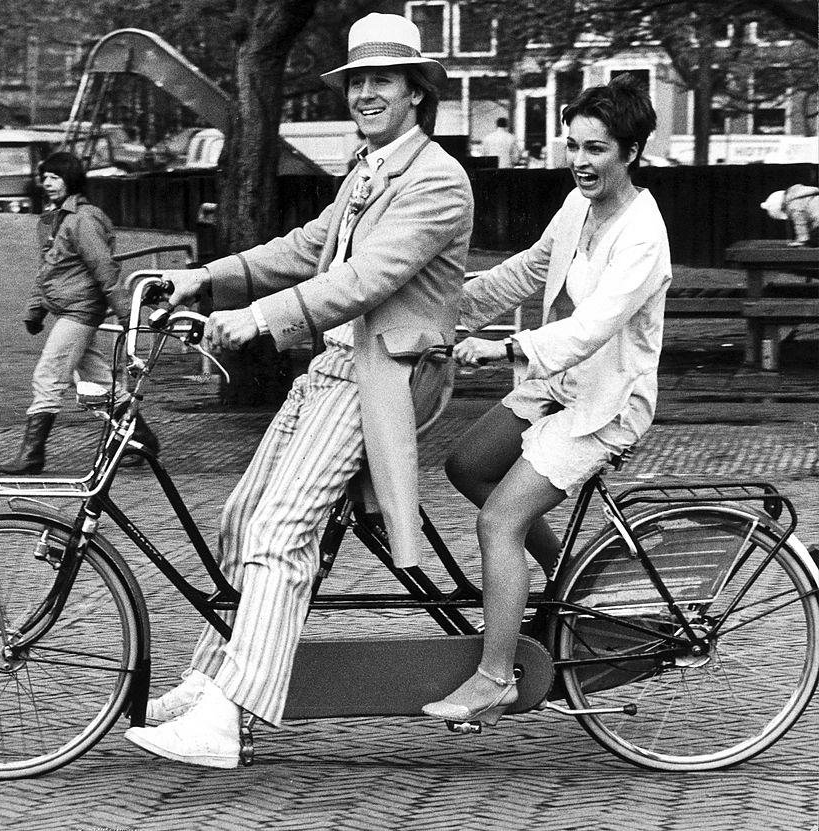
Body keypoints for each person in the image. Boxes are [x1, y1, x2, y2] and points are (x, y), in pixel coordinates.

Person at [124, 12, 474, 769]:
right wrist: (205, 275)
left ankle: (231, 714)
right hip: (336, 367)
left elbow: (361, 280)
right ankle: (210, 680)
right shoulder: (369, 170)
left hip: (384, 378)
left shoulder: (437, 179)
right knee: (245, 514)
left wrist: (255, 320)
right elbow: (308, 249)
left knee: (284, 530)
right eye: (357, 82)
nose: (366, 94)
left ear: (416, 92)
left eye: (382, 81)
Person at [421, 74, 670, 726]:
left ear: (632, 152)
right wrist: (446, 311)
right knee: (467, 465)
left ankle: (494, 677)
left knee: (499, 521)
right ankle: (579, 591)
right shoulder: (579, 206)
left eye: (596, 150)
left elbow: (594, 326)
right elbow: (531, 267)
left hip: (605, 401)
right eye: (573, 146)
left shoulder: (643, 235)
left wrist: (508, 348)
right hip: (559, 382)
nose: (580, 162)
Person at [0, 151, 159, 475]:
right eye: (44, 178)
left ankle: (32, 455)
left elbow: (104, 268)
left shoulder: (83, 219)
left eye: (54, 177)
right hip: (69, 309)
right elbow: (49, 270)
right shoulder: (56, 219)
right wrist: (35, 310)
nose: (47, 183)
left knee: (48, 376)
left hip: (79, 311)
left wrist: (127, 314)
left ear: (70, 179)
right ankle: (141, 438)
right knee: (99, 380)